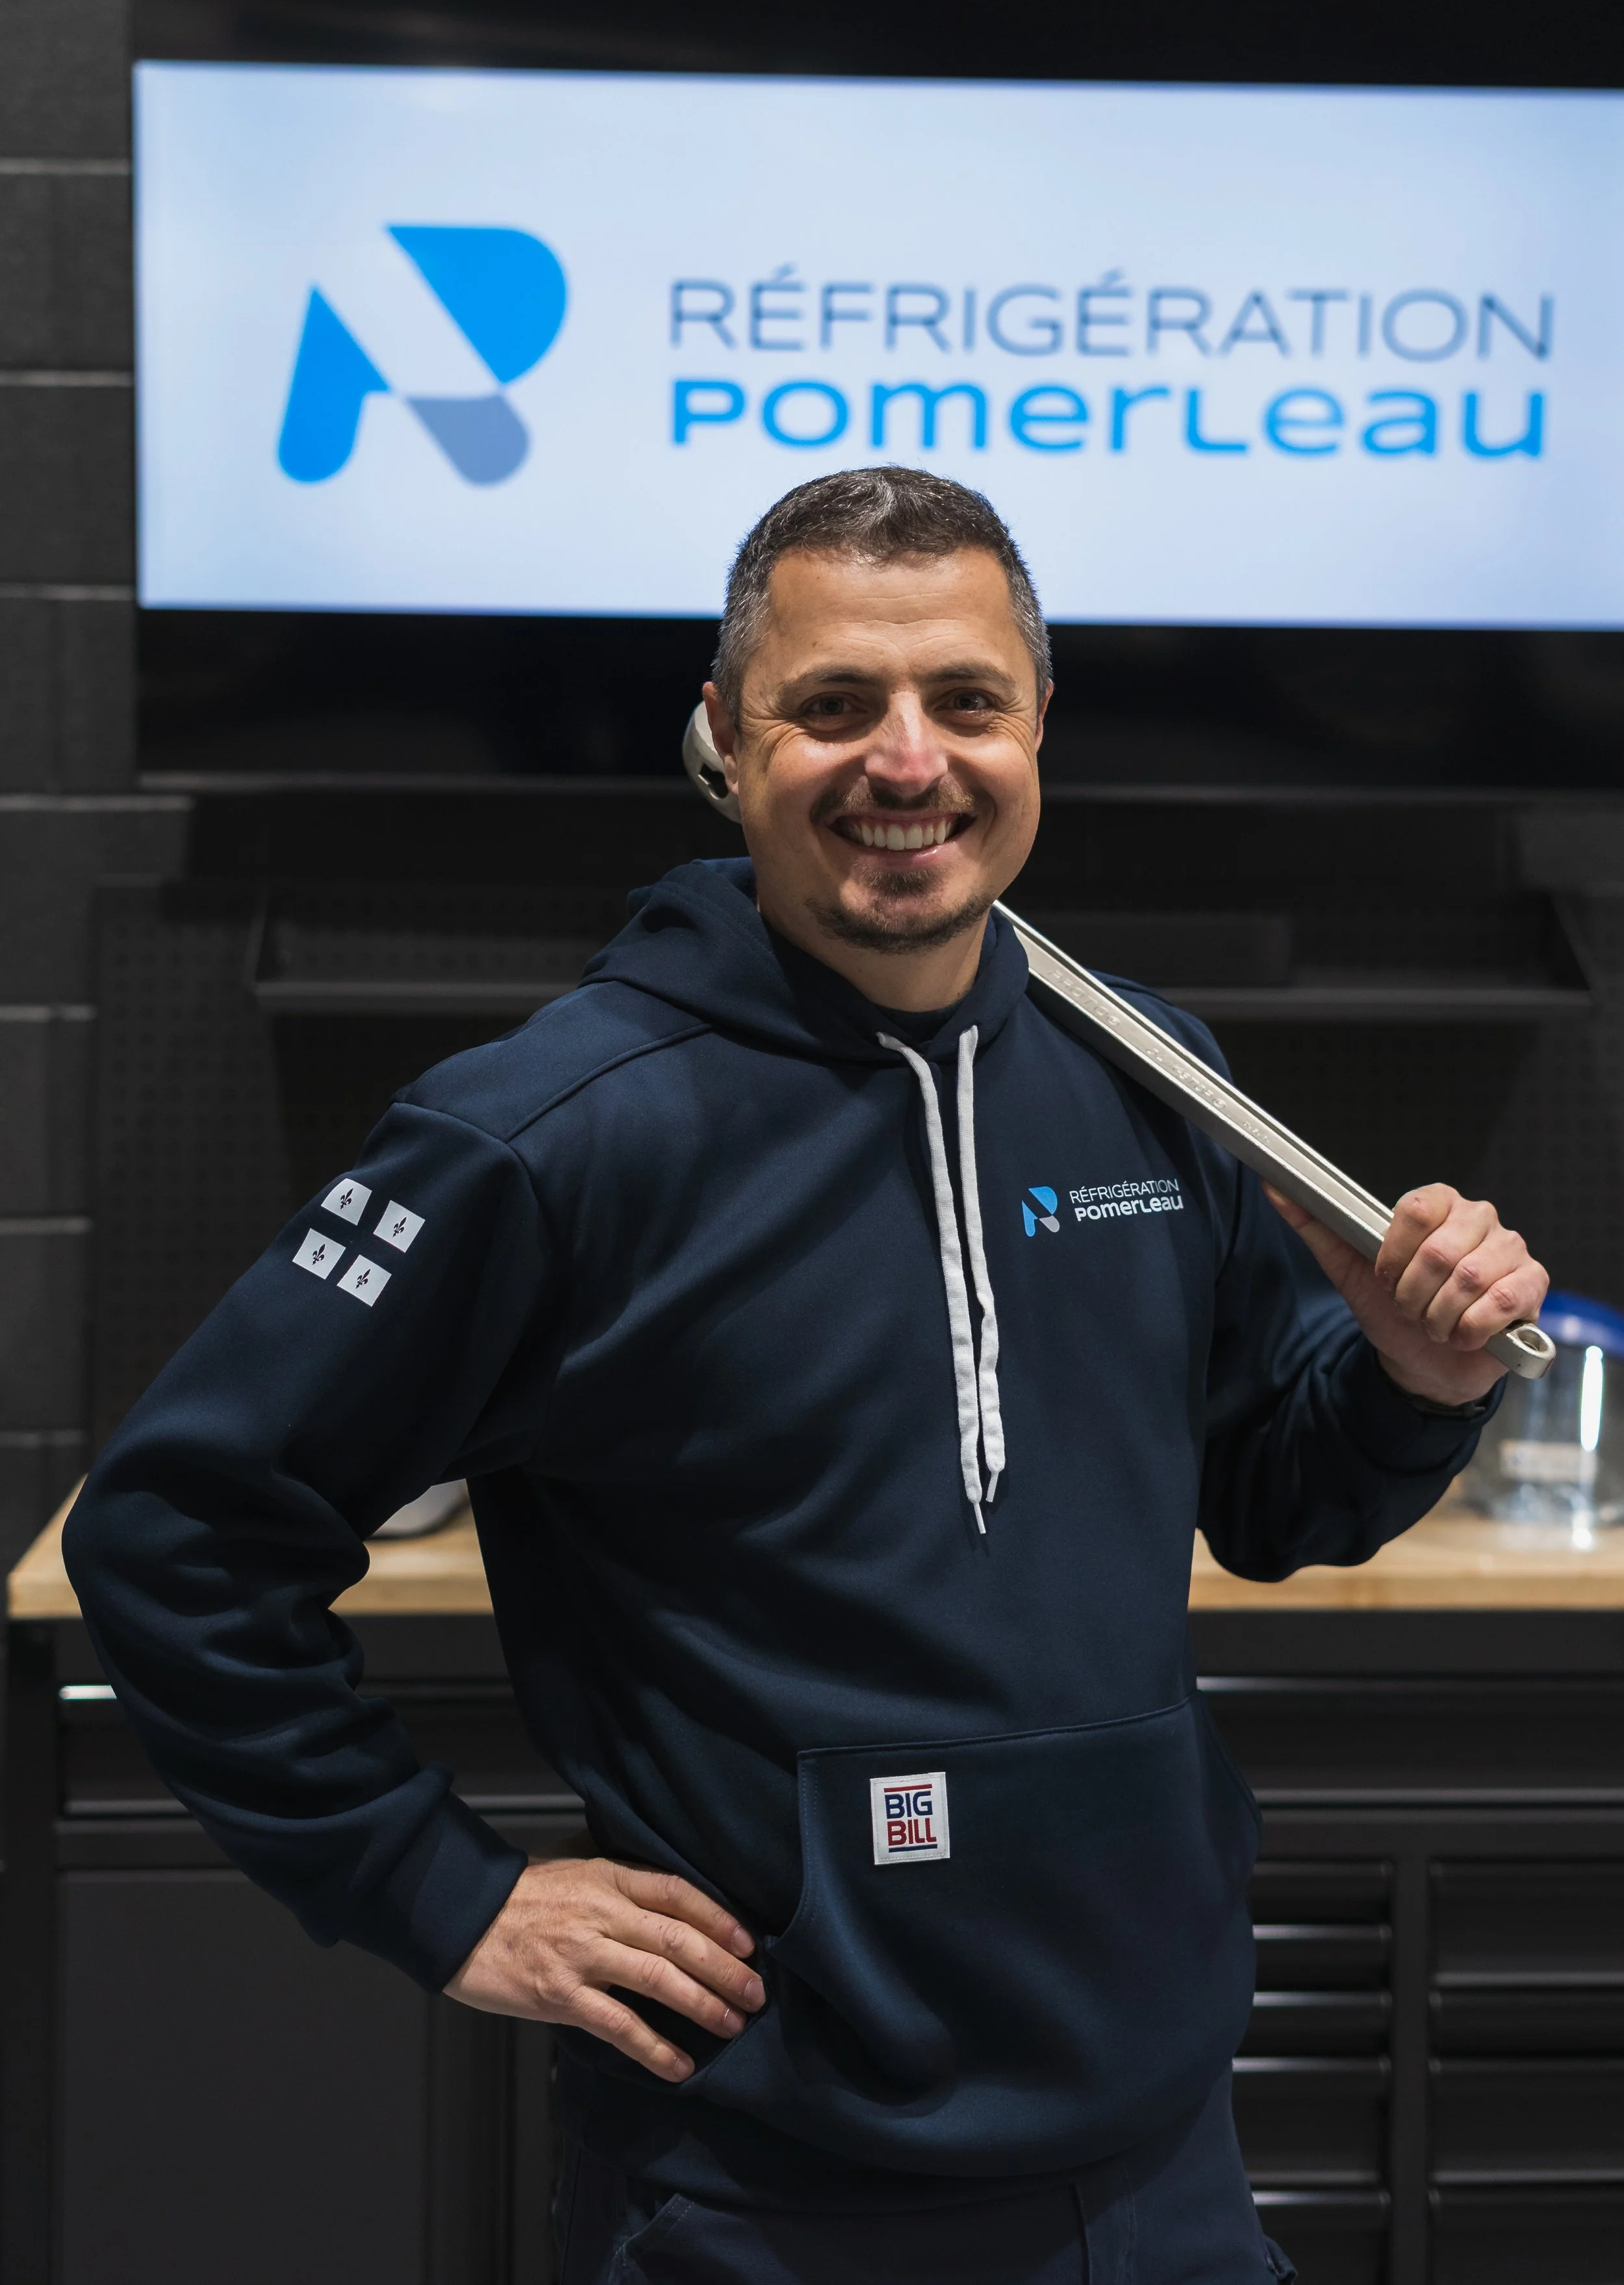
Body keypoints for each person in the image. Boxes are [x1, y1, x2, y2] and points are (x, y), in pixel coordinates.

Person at [66, 469, 1546, 2284]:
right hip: (763, 2184)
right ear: (723, 734)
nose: (906, 762)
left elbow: (1274, 1499)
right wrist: (438, 1891)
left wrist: (1410, 1381)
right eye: (833, 704)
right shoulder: (547, 1134)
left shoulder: (1155, 1075)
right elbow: (174, 1536)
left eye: (965, 700)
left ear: (1037, 724)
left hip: (1162, 2155)